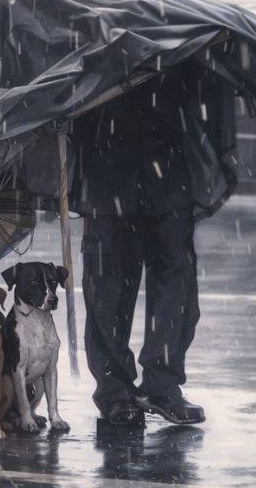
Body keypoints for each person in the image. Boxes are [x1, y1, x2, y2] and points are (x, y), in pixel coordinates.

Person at [71, 66, 212, 427]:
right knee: (108, 288)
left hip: (167, 164)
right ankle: (116, 391)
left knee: (176, 283)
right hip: (107, 166)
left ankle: (162, 386)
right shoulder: (95, 21)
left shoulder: (173, 24)